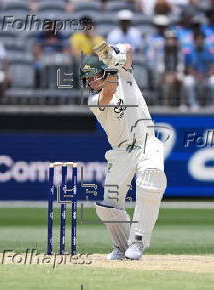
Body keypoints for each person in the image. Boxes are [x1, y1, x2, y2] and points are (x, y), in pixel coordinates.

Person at [80, 42, 167, 260]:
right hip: (121, 153)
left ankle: (137, 241)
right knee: (108, 204)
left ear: (101, 72)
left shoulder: (125, 74)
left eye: (93, 77)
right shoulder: (94, 100)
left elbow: (129, 48)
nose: (91, 82)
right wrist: (112, 67)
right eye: (87, 79)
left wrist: (114, 54)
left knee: (150, 181)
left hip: (146, 142)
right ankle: (120, 246)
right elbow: (109, 91)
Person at [183, 31, 214, 110]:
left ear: (204, 40)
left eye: (201, 39)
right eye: (198, 39)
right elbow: (188, 68)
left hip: (207, 76)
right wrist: (197, 75)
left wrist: (206, 75)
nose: (200, 41)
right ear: (194, 40)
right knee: (188, 81)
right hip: (195, 77)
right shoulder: (190, 53)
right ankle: (193, 104)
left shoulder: (209, 51)